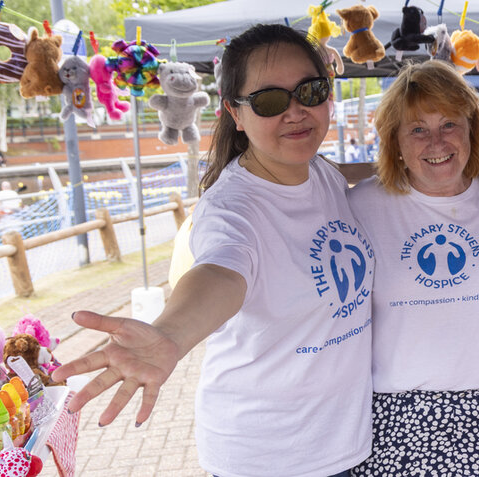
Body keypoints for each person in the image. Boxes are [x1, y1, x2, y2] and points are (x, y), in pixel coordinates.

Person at [53, 24, 375, 477]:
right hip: (269, 456)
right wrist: (171, 334)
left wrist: (410, 165)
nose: (296, 112)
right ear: (234, 113)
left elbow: (345, 172)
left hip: (344, 442)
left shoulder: (317, 170)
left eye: (311, 90)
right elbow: (221, 272)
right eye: (269, 101)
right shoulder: (232, 211)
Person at [347, 60, 479, 476]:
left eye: (449, 124)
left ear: (471, 129)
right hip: (396, 417)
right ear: (395, 141)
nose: (436, 142)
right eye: (417, 129)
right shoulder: (360, 207)